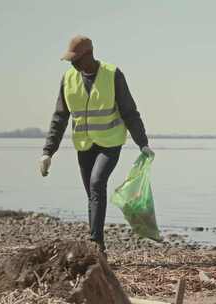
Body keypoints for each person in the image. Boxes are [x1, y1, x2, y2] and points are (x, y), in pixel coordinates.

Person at [39, 35, 154, 252]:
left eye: (75, 59)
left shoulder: (112, 75)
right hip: (84, 145)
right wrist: (48, 152)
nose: (72, 63)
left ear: (89, 55)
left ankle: (96, 243)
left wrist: (142, 142)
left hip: (110, 143)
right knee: (92, 193)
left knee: (96, 183)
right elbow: (59, 117)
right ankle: (96, 242)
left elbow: (129, 111)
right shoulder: (68, 79)